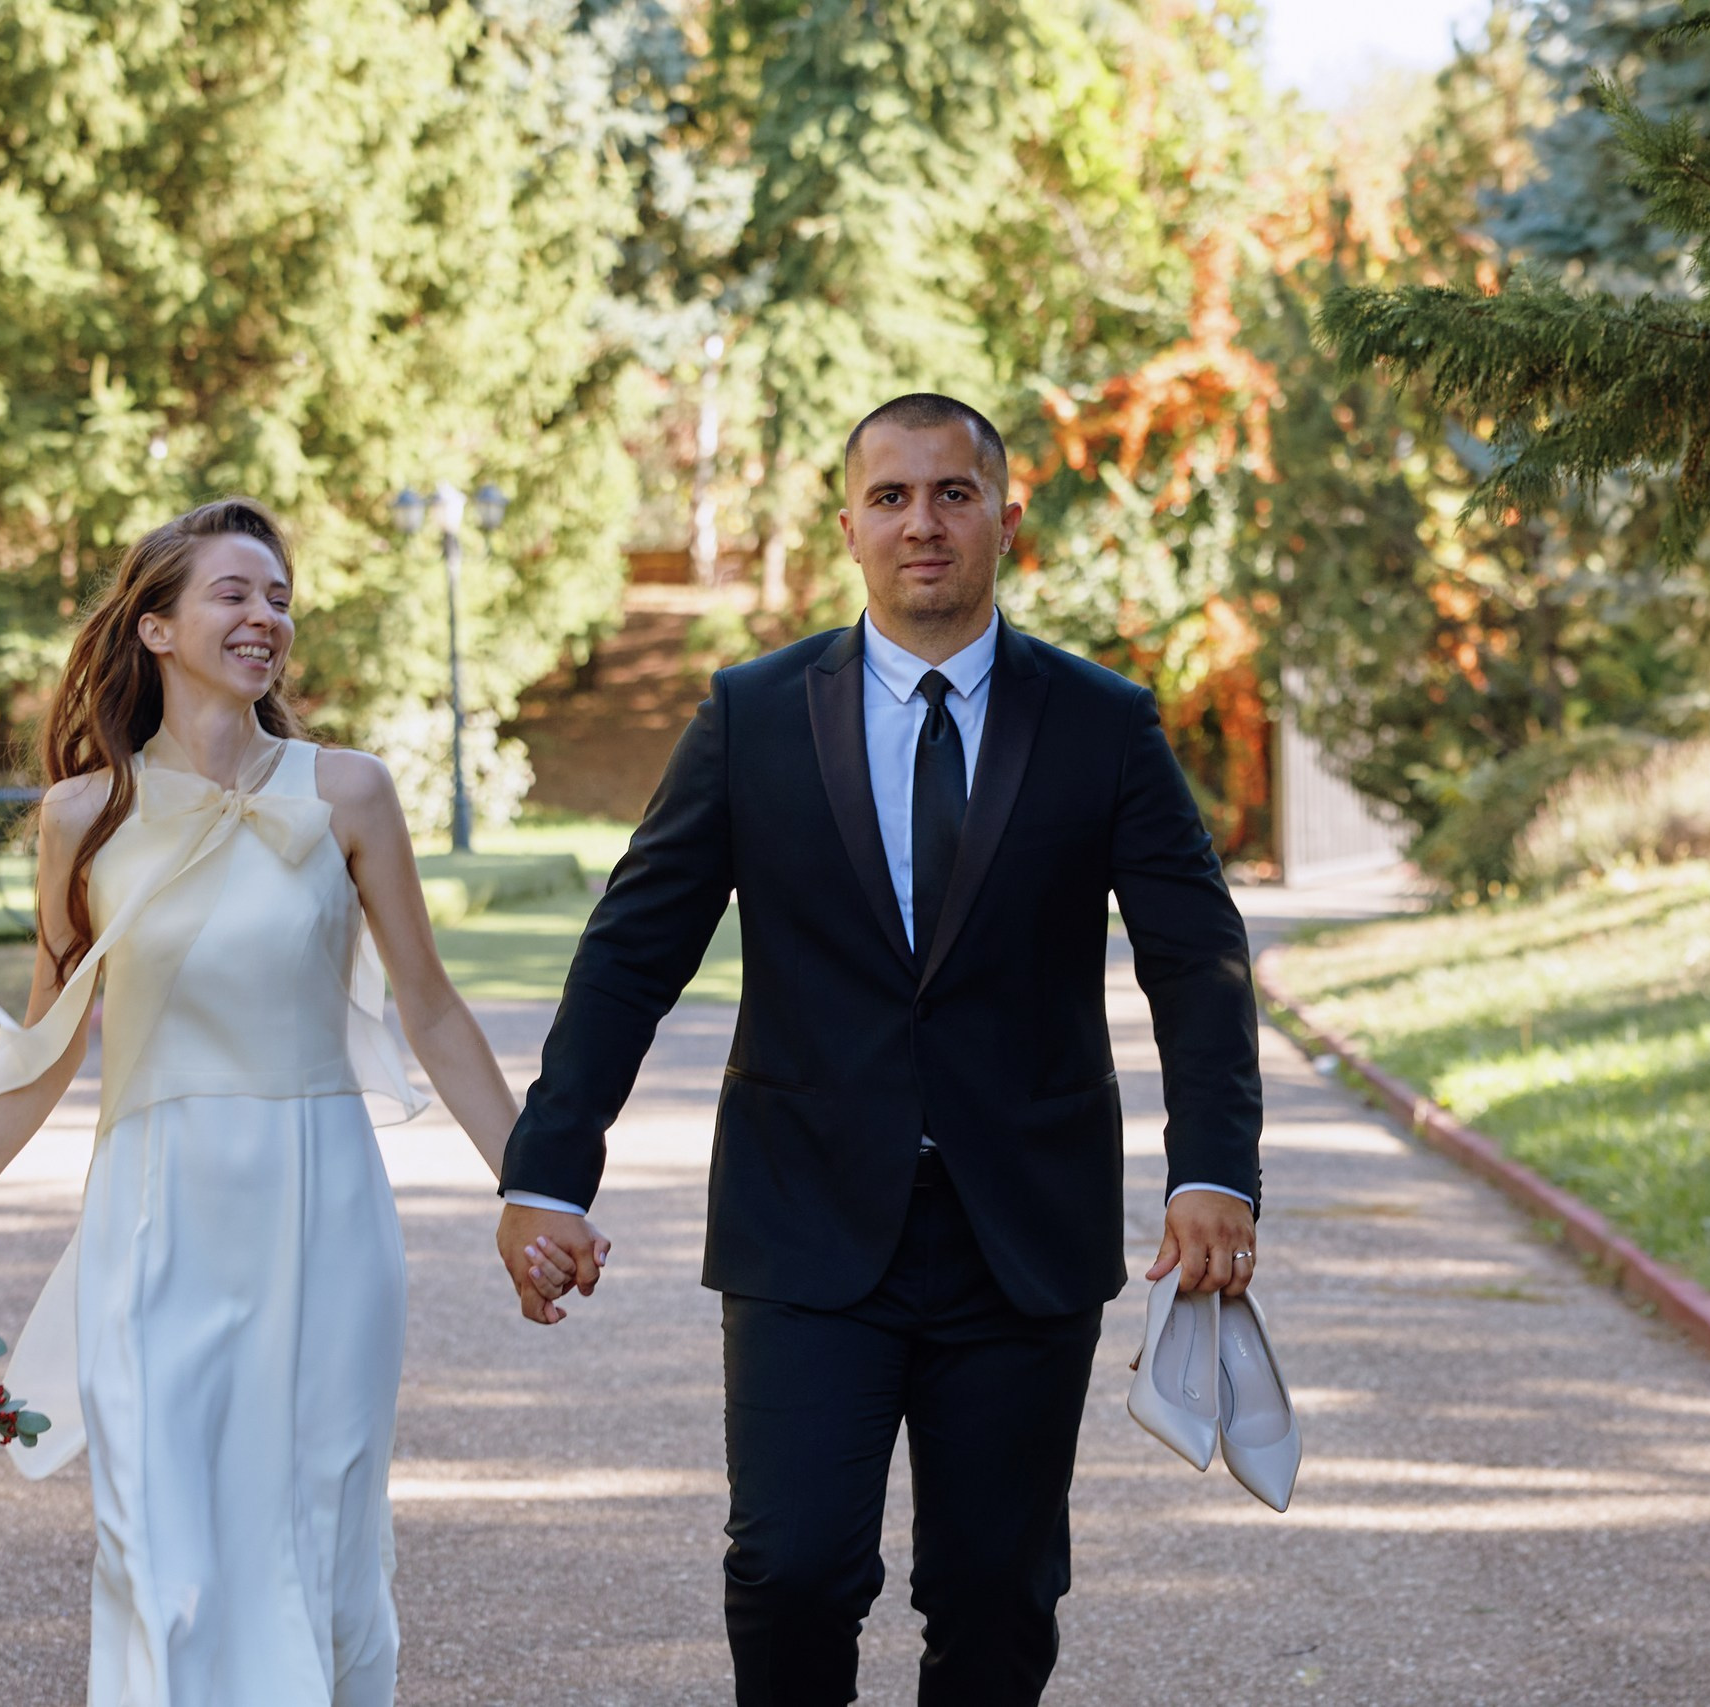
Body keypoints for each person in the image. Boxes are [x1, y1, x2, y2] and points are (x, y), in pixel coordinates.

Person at [493, 394, 1266, 1705]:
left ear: (1006, 520)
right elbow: (634, 950)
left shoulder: (1102, 723)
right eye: (894, 496)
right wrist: (547, 1172)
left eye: (954, 494)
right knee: (791, 1567)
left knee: (997, 1591)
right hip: (804, 1223)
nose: (924, 521)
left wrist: (1217, 1168)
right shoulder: (751, 715)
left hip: (1021, 1233)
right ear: (848, 522)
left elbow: (1195, 956)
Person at [0, 497, 582, 1706]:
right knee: (158, 1542)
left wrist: (535, 1189)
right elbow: (46, 1054)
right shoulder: (80, 818)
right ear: (154, 627)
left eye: (279, 598)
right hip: (155, 1214)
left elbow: (431, 1009)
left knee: (319, 1530)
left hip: (323, 1208)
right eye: (235, 593)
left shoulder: (347, 793)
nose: (267, 617)